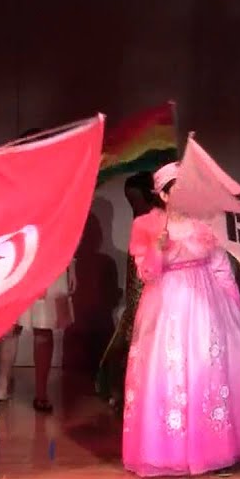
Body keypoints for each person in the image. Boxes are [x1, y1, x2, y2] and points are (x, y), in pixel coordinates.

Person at [121, 163, 240, 477]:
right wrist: (156, 251)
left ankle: (214, 449)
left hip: (206, 302)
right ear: (162, 194)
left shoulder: (205, 222)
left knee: (207, 368)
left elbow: (219, 263)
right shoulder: (148, 225)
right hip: (167, 303)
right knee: (170, 372)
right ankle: (168, 451)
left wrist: (233, 302)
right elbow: (145, 272)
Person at [96, 172, 158, 408]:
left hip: (151, 300)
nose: (134, 207)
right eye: (130, 203)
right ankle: (122, 392)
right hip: (136, 304)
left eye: (136, 201)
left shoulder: (157, 228)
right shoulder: (139, 228)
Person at [0, 261, 75, 412]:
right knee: (10, 325)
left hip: (51, 259)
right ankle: (2, 388)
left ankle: (41, 393)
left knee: (43, 327)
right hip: (21, 255)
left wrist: (72, 266)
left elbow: (67, 236)